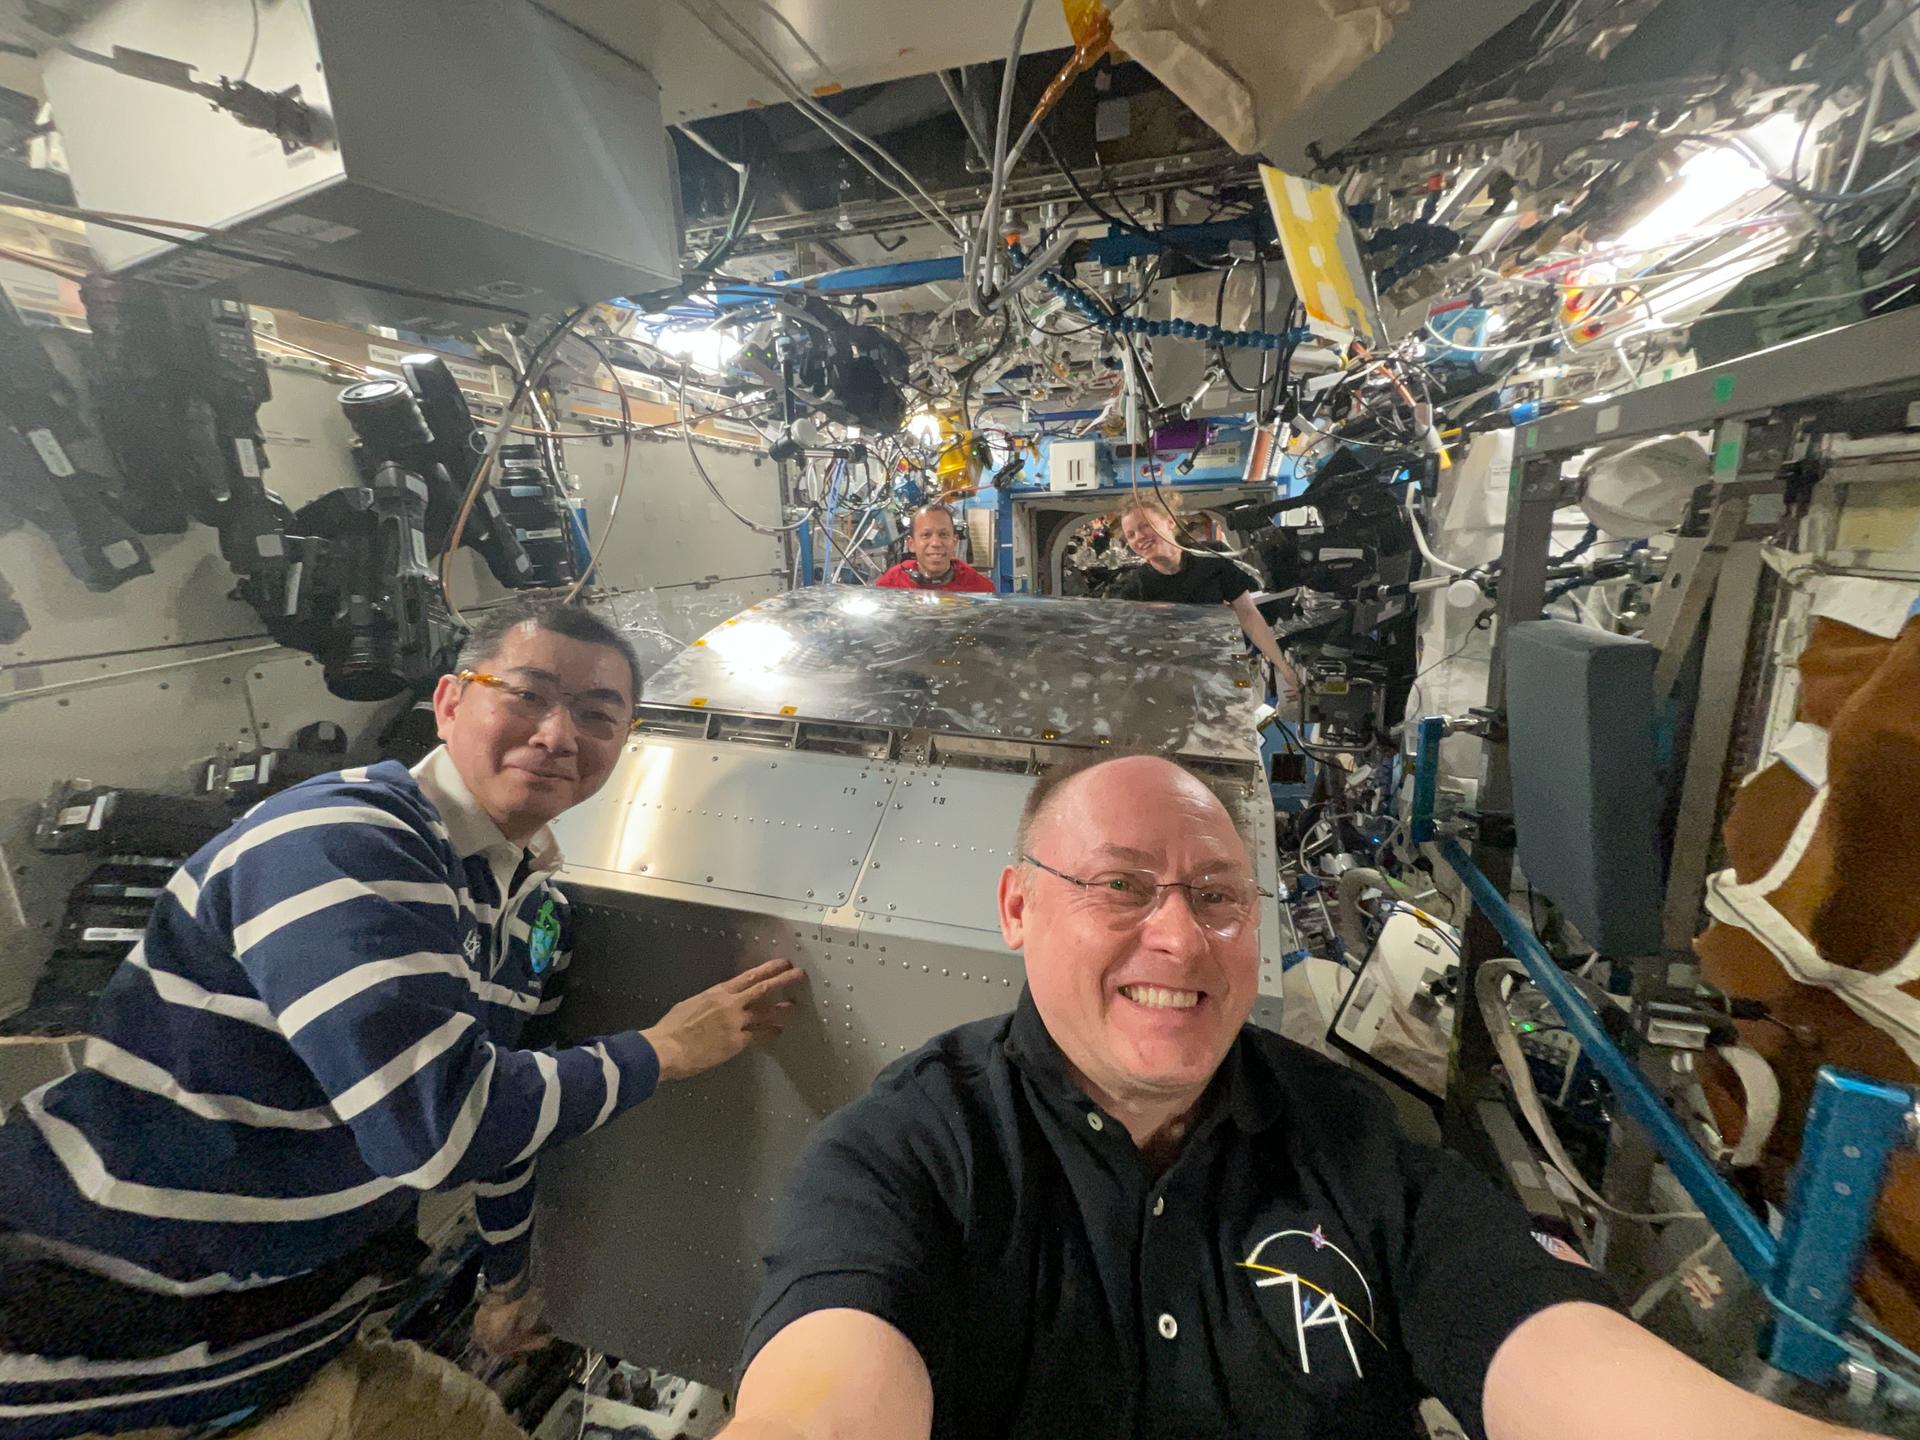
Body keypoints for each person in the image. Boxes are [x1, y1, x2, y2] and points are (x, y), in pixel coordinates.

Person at [720, 753, 1872, 1440]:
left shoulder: (1356, 1137)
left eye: (1218, 896)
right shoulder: (907, 1152)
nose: (1179, 934)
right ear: (1019, 908)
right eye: (1120, 886)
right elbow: (826, 1385)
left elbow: (1555, 1354)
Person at [0, 599, 804, 1438]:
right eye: (527, 695)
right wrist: (665, 1051)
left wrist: (507, 1279)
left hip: (294, 1345)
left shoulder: (525, 901)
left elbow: (508, 1104)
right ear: (450, 702)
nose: (559, 734)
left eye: (597, 715)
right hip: (105, 1372)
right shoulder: (346, 841)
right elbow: (439, 1124)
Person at [1116, 500, 1302, 700]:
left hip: (1221, 674)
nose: (1140, 537)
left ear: (1170, 522)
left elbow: (1248, 615)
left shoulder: (1211, 560)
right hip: (1170, 684)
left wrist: (1284, 668)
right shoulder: (1135, 588)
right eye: (1131, 535)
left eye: (1145, 525)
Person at [874, 503, 995, 593]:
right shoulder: (890, 584)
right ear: (911, 544)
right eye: (926, 535)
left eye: (943, 534)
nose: (936, 543)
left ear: (954, 541)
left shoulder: (980, 589)